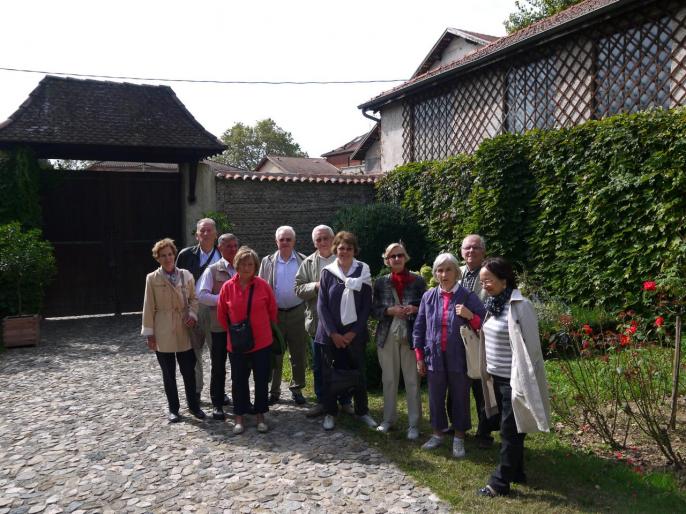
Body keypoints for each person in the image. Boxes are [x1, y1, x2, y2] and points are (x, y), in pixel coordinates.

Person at [477, 257, 551, 497]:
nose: (484, 285)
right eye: (482, 281)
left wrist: (524, 379)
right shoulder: (494, 303)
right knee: (511, 427)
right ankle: (517, 472)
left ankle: (500, 482)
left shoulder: (521, 305)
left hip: (514, 379)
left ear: (503, 279)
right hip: (495, 377)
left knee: (510, 431)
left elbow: (531, 348)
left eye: (488, 280)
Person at [413, 253, 485, 458]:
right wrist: (419, 356)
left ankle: (459, 437)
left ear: (456, 272)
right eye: (440, 270)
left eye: (448, 269)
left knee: (460, 396)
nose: (444, 274)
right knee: (435, 396)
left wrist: (470, 315)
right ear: (435, 274)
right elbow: (419, 328)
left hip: (459, 356)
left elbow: (483, 324)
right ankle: (438, 433)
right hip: (433, 355)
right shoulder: (428, 296)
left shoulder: (468, 296)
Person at [316, 231, 377, 431]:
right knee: (329, 375)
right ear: (336, 249)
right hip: (329, 335)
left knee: (359, 374)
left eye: (349, 248)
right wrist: (334, 333)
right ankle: (330, 412)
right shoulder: (328, 272)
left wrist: (352, 333)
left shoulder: (363, 271)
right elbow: (322, 306)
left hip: (354, 335)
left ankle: (362, 411)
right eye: (341, 248)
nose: (345, 251)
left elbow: (366, 306)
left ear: (354, 250)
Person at [141, 238, 206, 422]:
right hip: (163, 329)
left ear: (174, 254)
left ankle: (194, 406)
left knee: (189, 371)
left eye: (170, 254)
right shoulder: (152, 279)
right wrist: (149, 334)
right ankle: (173, 409)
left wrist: (192, 315)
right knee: (168, 373)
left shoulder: (186, 275)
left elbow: (194, 298)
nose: (168, 258)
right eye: (163, 256)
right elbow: (148, 306)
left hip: (184, 327)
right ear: (158, 258)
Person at [217, 246, 277, 434]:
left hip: (262, 342)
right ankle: (239, 417)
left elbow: (272, 312)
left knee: (261, 380)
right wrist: (235, 333)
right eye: (242, 264)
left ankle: (260, 416)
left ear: (255, 266)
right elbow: (221, 315)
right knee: (239, 381)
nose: (246, 268)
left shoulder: (263, 285)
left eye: (250, 264)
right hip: (237, 345)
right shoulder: (228, 287)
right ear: (236, 265)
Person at [295, 225, 353, 418]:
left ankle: (345, 401)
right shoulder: (308, 263)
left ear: (333, 238)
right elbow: (298, 288)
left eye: (326, 238)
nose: (322, 242)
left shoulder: (343, 258)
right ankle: (322, 401)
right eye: (318, 239)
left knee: (343, 363)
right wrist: (316, 286)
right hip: (317, 323)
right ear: (314, 243)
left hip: (342, 323)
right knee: (320, 365)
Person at [371, 243, 426, 440]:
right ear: (386, 260)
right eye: (392, 256)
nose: (396, 259)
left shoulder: (418, 281)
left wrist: (414, 309)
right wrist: (389, 311)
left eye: (400, 255)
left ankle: (413, 424)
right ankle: (388, 419)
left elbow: (426, 308)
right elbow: (373, 310)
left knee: (412, 380)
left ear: (406, 257)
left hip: (411, 335)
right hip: (387, 335)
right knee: (389, 379)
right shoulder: (380, 283)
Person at [258, 226, 308, 405]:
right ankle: (274, 391)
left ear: (294, 241)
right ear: (276, 241)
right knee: (275, 353)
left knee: (298, 353)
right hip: (275, 314)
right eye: (282, 239)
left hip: (297, 312)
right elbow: (262, 286)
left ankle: (297, 389)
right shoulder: (267, 261)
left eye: (288, 239)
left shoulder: (303, 260)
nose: (285, 242)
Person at [458, 234, 499, 448]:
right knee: (459, 385)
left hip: (483, 336)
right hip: (459, 338)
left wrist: (474, 318)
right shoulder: (457, 272)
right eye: (467, 248)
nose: (471, 251)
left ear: (483, 251)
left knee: (483, 387)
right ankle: (458, 427)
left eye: (475, 248)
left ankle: (484, 433)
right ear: (461, 252)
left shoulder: (491, 273)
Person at [175, 218, 221, 404]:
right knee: (194, 353)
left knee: (217, 355)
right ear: (196, 235)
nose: (206, 233)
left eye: (210, 230)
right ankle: (195, 391)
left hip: (215, 311)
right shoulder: (186, 255)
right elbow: (176, 282)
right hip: (192, 310)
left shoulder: (224, 255)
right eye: (202, 231)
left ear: (216, 234)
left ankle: (217, 392)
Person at [197, 233, 239, 420]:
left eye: (235, 245)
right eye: (228, 246)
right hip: (218, 325)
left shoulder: (244, 267)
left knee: (240, 365)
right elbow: (202, 295)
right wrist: (225, 300)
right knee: (218, 365)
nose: (233, 249)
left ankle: (241, 401)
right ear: (220, 248)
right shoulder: (212, 270)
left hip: (240, 326)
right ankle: (217, 403)